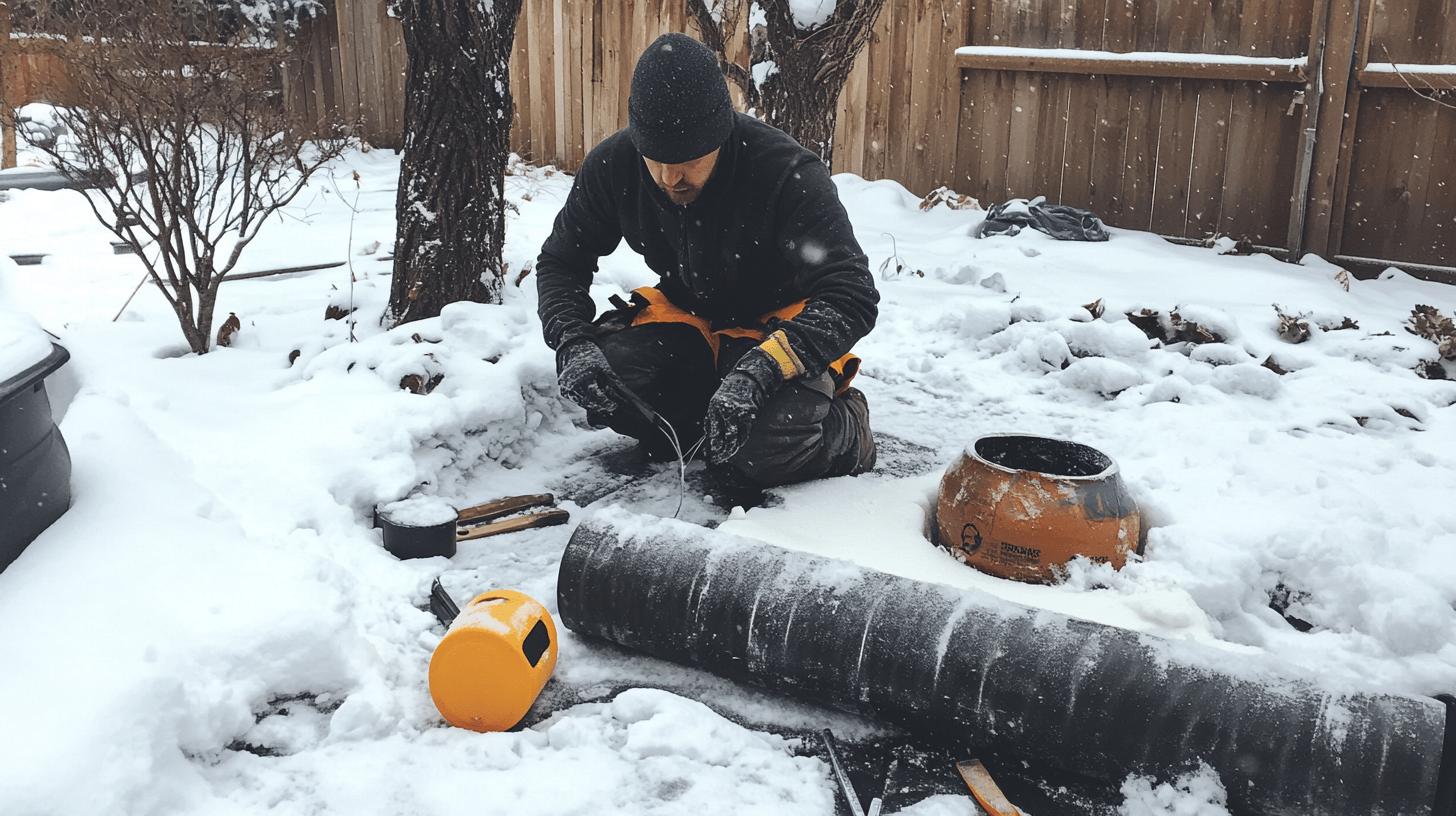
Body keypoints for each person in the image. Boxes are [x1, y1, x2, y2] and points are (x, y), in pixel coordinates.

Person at [535, 32, 878, 490]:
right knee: (611, 384)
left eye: (689, 162)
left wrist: (761, 371)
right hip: (689, 319)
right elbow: (561, 261)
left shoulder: (786, 173)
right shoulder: (613, 165)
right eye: (655, 160)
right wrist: (572, 343)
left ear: (721, 134)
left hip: (776, 330)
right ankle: (705, 422)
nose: (669, 179)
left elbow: (852, 294)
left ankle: (846, 428)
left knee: (759, 455)